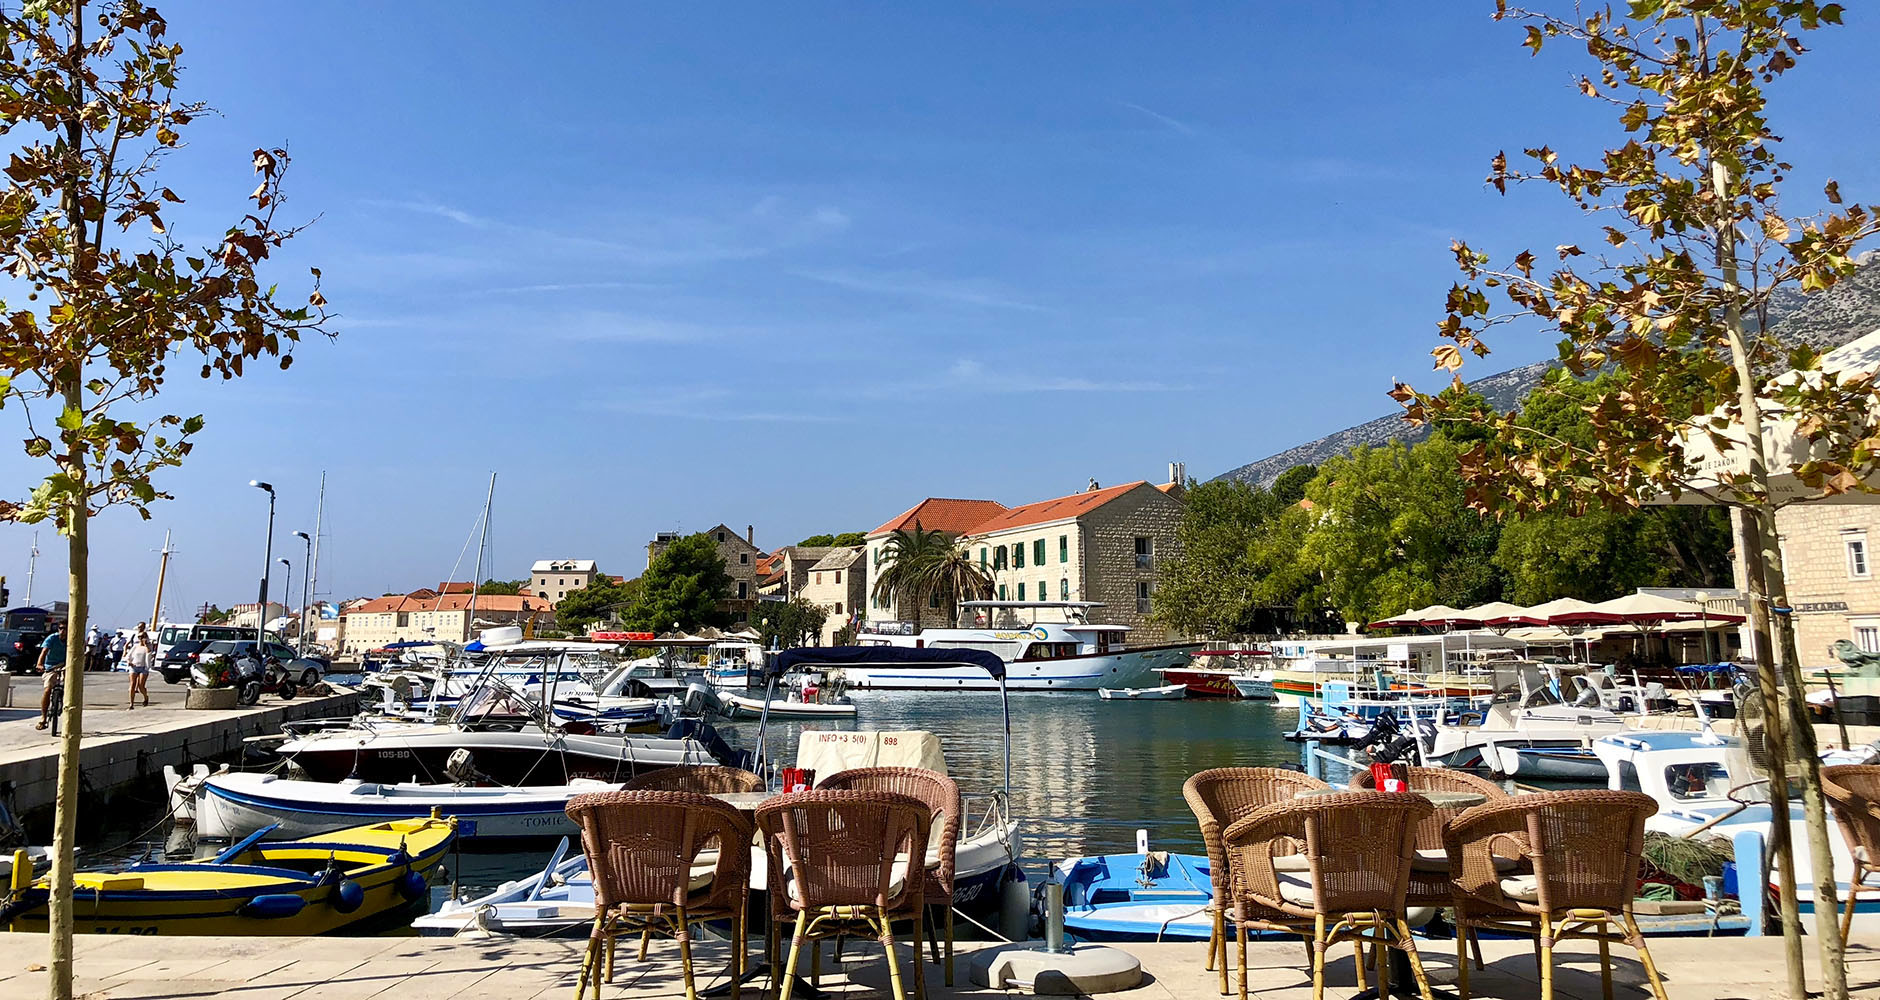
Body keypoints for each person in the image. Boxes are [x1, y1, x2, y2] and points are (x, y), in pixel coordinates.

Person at [35, 620, 67, 730]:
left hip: (66, 665)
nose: (63, 631)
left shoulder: (72, 640)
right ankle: (43, 718)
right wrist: (40, 664)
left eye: (65, 629)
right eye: (61, 628)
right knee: (47, 689)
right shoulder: (52, 638)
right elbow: (44, 652)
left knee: (70, 687)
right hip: (51, 666)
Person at [125, 623, 153, 707]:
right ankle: (131, 704)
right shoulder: (135, 646)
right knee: (132, 685)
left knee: (141, 686)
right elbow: (128, 656)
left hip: (143, 667)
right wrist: (129, 662)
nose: (141, 639)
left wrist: (145, 644)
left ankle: (145, 697)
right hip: (134, 666)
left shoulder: (149, 646)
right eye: (139, 637)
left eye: (143, 637)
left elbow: (149, 654)